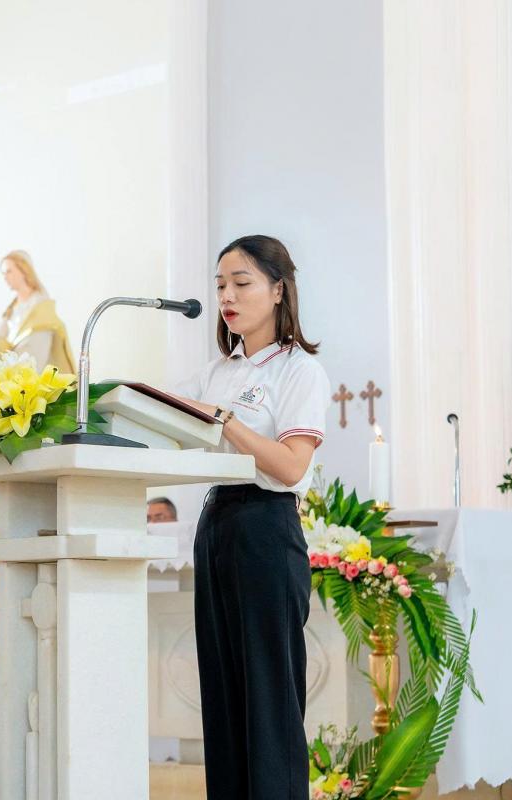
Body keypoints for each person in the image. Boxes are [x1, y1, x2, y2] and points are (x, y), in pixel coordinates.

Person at [179, 235, 331, 799]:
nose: (227, 296)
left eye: (241, 283)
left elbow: (291, 466)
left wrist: (226, 421)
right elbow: (164, 412)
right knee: (222, 696)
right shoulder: (218, 371)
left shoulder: (299, 370)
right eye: (220, 285)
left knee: (269, 699)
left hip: (266, 528)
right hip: (217, 524)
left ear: (278, 290)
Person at [0, 251, 75, 372]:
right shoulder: (11, 309)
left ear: (23, 270)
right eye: (3, 273)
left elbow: (36, 351)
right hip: (10, 374)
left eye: (9, 271)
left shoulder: (40, 306)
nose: (5, 277)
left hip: (29, 375)